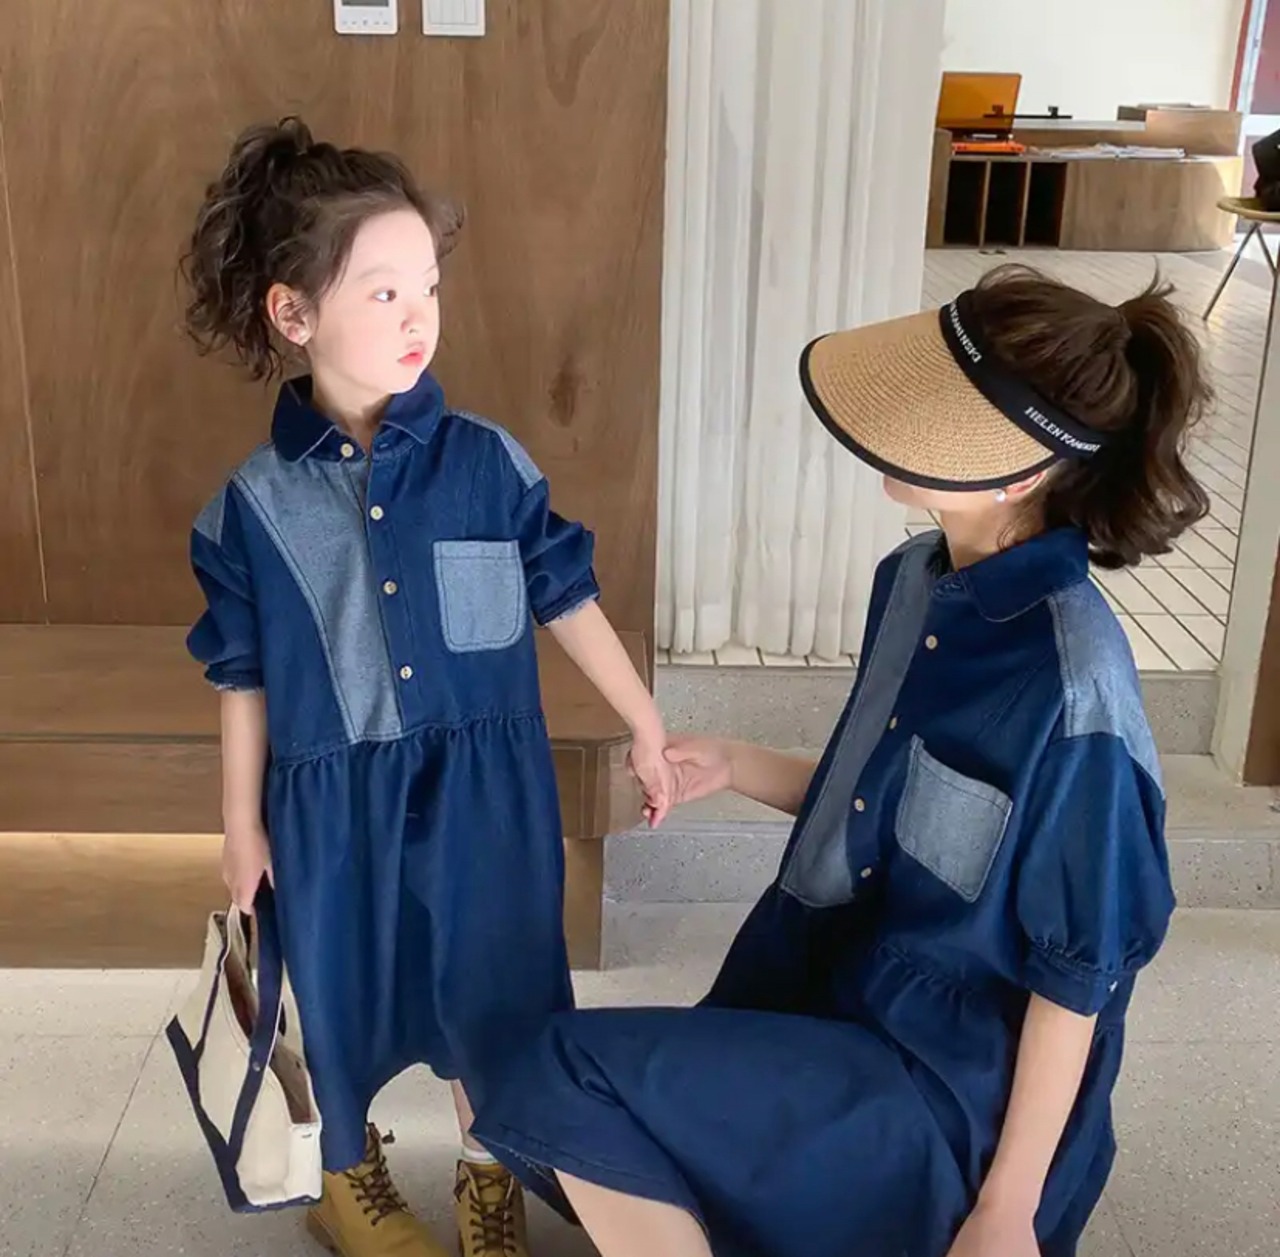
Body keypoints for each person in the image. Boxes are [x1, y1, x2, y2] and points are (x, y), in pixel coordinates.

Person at [470, 264, 1211, 1257]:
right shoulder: (913, 581)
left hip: (948, 1094)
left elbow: (1077, 979)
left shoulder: (1078, 694)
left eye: (935, 411)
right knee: (534, 1082)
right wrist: (735, 763)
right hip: (834, 1002)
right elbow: (892, 807)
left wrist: (1004, 1212)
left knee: (564, 1075)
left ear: (1020, 472)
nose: (898, 419)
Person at [181, 117, 672, 1257]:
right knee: (340, 992)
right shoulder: (249, 508)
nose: (418, 318)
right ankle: (342, 1175)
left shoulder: (490, 463)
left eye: (429, 290)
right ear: (294, 315)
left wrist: (645, 725)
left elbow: (565, 595)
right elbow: (241, 675)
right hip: (330, 805)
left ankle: (492, 1170)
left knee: (497, 990)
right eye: (384, 293)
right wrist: (240, 824)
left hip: (486, 796)